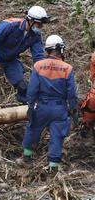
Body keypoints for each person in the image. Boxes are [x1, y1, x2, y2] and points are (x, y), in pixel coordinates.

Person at [22, 35, 78, 171]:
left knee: (33, 129)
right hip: (59, 108)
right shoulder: (68, 68)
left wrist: (30, 106)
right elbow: (72, 94)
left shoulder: (38, 66)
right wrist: (73, 109)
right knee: (57, 136)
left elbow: (32, 89)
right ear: (60, 49)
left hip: (41, 106)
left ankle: (26, 158)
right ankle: (53, 166)